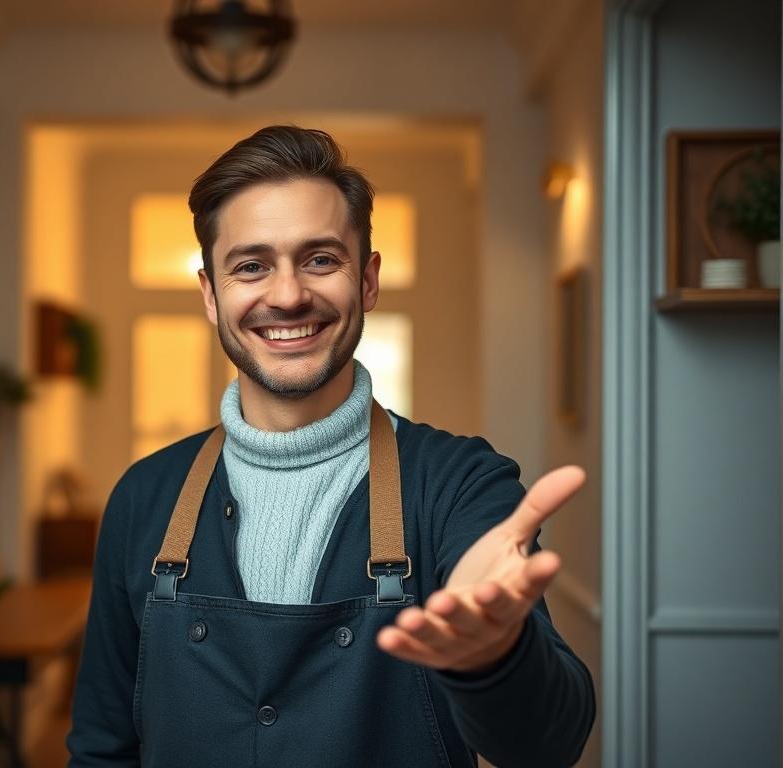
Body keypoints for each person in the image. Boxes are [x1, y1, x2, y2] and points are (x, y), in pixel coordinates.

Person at [67, 125, 595, 768]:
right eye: (251, 265)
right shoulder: (143, 497)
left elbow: (549, 745)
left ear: (367, 281)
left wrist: (495, 655)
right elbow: (101, 750)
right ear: (211, 295)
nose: (288, 295)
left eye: (320, 259)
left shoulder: (460, 486)